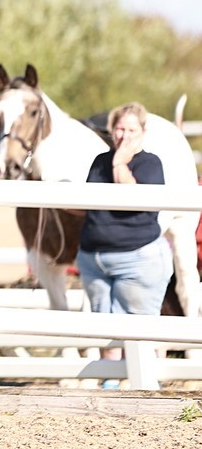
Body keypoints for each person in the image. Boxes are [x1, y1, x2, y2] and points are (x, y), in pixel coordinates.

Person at [76, 102, 172, 388]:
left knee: (138, 329)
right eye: (119, 128)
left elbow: (134, 200)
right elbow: (90, 204)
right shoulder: (98, 162)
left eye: (131, 129)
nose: (124, 135)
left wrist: (120, 162)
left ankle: (146, 387)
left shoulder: (150, 163)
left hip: (137, 258)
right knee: (105, 328)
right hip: (95, 259)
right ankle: (110, 385)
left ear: (143, 132)